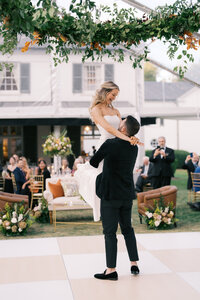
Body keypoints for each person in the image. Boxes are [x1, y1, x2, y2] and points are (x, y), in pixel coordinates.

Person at [75, 81, 141, 221]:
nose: (114, 98)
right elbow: (110, 129)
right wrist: (127, 139)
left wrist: (132, 138)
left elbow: (123, 129)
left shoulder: (116, 111)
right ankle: (103, 212)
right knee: (103, 179)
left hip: (119, 146)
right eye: (113, 94)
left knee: (117, 178)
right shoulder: (96, 110)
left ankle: (117, 210)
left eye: (116, 96)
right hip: (105, 146)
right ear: (106, 92)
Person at [90, 116, 140, 280]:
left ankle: (111, 270)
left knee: (110, 233)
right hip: (126, 194)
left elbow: (93, 162)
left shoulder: (110, 144)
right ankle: (134, 264)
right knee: (127, 229)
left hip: (111, 195)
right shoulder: (134, 147)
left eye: (122, 122)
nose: (119, 123)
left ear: (124, 129)